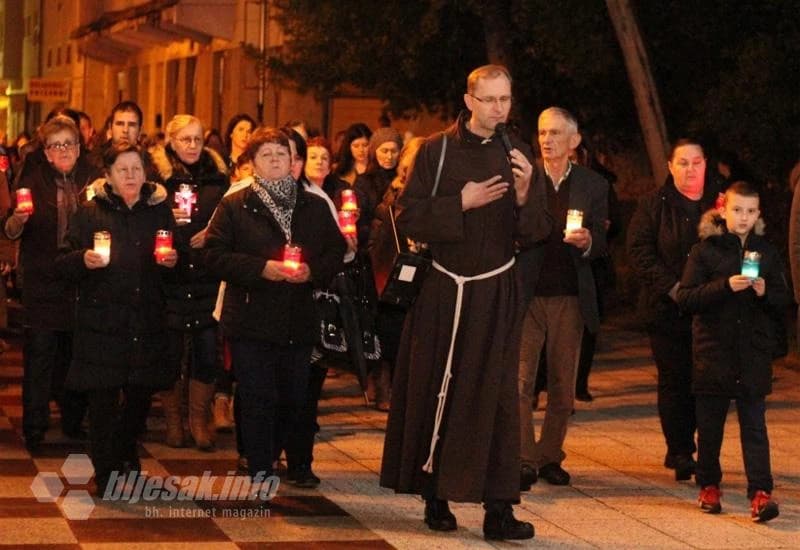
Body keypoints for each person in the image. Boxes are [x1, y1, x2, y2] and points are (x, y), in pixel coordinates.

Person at [380, 64, 549, 541]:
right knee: (439, 385)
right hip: (441, 287)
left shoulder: (517, 151)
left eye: (506, 100)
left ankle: (499, 508)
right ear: (469, 100)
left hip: (495, 289)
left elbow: (536, 232)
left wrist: (522, 195)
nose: (499, 108)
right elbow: (408, 216)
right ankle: (435, 496)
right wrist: (461, 202)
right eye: (490, 99)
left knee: (496, 396)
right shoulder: (435, 151)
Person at [205, 127, 346, 484]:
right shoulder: (236, 204)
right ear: (252, 163)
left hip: (297, 317)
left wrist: (313, 271)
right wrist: (261, 269)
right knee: (256, 395)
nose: (274, 161)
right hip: (251, 317)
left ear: (292, 161)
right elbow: (213, 254)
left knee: (291, 397)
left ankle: (274, 453)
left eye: (281, 154)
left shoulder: (312, 204)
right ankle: (260, 466)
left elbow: (335, 251)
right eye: (266, 155)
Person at [55, 144, 177, 495]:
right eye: (121, 170)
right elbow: (63, 262)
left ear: (145, 173)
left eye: (136, 169)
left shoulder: (158, 212)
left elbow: (176, 259)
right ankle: (107, 469)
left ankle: (125, 453)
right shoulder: (90, 212)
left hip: (145, 320)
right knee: (103, 401)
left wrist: (171, 262)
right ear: (107, 175)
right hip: (102, 322)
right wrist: (83, 259)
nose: (129, 176)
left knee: (140, 396)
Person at [676, 181, 786, 522]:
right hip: (714, 351)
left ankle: (760, 492)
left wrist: (766, 291)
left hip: (752, 352)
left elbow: (784, 298)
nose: (744, 217)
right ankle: (708, 484)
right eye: (737, 210)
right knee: (710, 427)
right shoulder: (705, 250)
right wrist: (724, 286)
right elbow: (686, 297)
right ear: (723, 210)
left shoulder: (767, 252)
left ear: (758, 214)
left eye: (751, 211)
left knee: (755, 426)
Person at [516, 108, 608, 489]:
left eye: (555, 133)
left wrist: (589, 243)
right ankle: (523, 458)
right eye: (541, 132)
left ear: (574, 141)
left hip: (570, 295)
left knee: (561, 385)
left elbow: (604, 242)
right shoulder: (525, 178)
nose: (546, 139)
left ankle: (550, 455)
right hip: (527, 294)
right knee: (519, 381)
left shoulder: (593, 185)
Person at [627, 138, 722, 481]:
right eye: (682, 162)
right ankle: (680, 449)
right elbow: (639, 251)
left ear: (705, 164)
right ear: (670, 166)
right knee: (674, 379)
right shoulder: (654, 205)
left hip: (710, 310)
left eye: (696, 162)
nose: (690, 169)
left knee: (707, 380)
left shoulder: (721, 204)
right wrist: (672, 288)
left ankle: (706, 447)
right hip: (667, 309)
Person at [2, 115, 92, 451]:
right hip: (43, 278)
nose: (64, 150)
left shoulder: (91, 178)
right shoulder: (33, 178)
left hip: (81, 280)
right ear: (48, 152)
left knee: (74, 354)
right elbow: (11, 229)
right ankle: (35, 425)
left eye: (69, 143)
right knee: (40, 355)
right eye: (56, 145)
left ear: (79, 148)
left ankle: (72, 419)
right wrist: (18, 220)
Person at [149, 114, 229, 451]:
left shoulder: (217, 178)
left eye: (198, 139)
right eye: (186, 140)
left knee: (207, 352)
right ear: (172, 141)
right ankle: (173, 421)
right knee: (169, 353)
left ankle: (199, 419)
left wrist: (211, 234)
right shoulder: (157, 179)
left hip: (207, 276)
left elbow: (229, 219)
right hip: (171, 276)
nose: (193, 146)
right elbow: (146, 221)